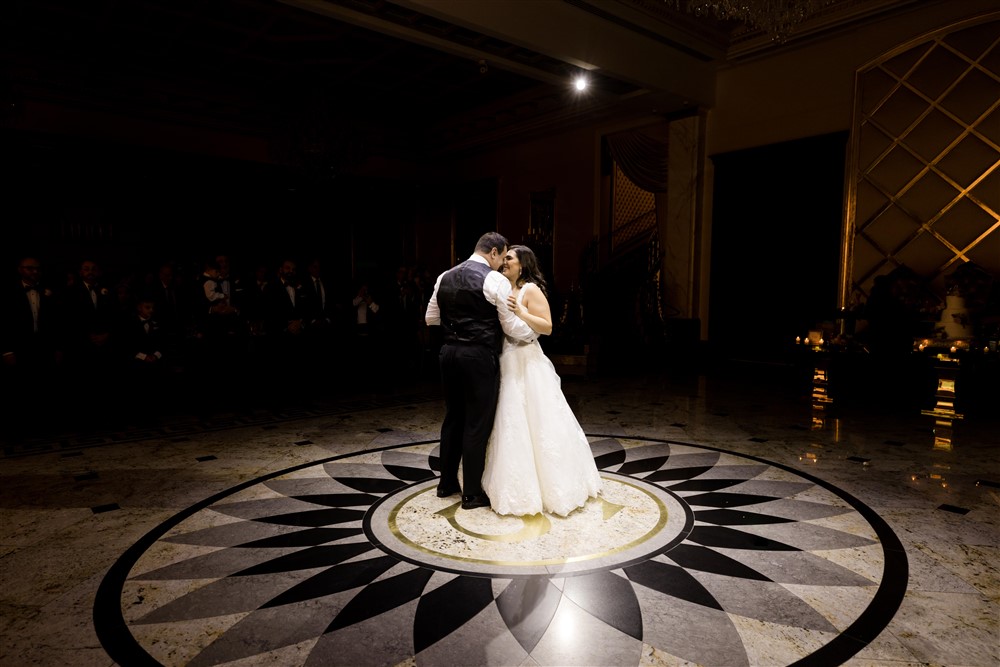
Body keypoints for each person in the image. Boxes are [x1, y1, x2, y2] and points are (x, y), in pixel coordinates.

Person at [482, 244, 602, 516]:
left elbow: (547, 326)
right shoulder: (504, 288)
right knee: (510, 423)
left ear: (522, 264)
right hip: (507, 359)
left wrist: (521, 312)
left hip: (528, 361)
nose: (505, 262)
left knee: (539, 421)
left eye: (509, 258)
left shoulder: (530, 290)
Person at [425, 232, 537, 510]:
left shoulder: (444, 276)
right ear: (495, 252)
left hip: (448, 353)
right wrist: (533, 331)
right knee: (477, 421)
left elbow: (430, 319)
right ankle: (472, 493)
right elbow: (509, 326)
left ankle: (446, 483)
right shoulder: (494, 279)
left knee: (453, 417)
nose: (501, 264)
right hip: (478, 355)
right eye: (502, 257)